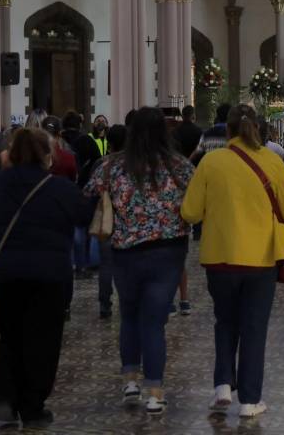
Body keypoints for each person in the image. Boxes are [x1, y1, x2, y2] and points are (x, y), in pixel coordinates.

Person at [181, 104, 284, 419]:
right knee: (254, 328)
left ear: (227, 131)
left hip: (219, 258)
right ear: (258, 129)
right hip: (260, 259)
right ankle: (250, 400)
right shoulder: (272, 161)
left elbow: (190, 212)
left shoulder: (211, 162)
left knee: (225, 322)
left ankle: (221, 387)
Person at [0, 128, 91, 428]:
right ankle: (33, 406)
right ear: (48, 155)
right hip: (50, 275)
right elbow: (84, 215)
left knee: (10, 336)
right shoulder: (60, 188)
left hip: (6, 272)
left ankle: (6, 398)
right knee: (44, 341)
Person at [85, 107, 194, 414]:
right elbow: (198, 200)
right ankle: (155, 392)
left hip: (125, 250)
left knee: (130, 314)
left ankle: (131, 379)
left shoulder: (111, 166)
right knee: (155, 322)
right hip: (168, 252)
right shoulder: (179, 166)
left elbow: (87, 192)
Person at [95, 123, 128, 319]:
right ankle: (127, 300)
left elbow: (91, 189)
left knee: (106, 265)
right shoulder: (134, 164)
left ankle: (104, 304)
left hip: (108, 219)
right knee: (125, 265)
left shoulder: (102, 164)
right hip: (129, 222)